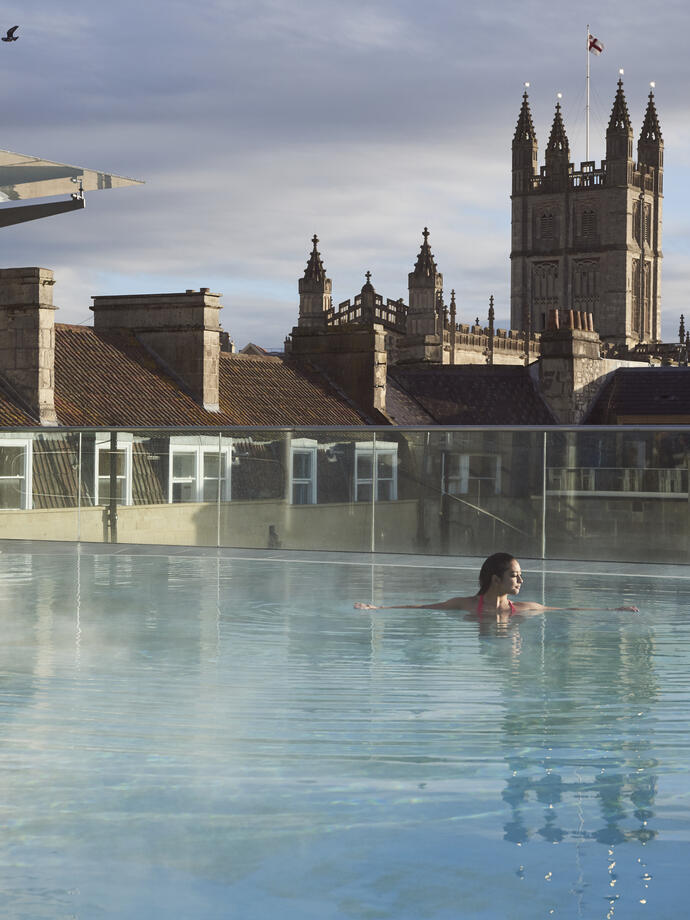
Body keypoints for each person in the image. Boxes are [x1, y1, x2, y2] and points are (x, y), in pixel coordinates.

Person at [354, 552, 638, 618]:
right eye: (515, 575)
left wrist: (613, 609)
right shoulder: (465, 604)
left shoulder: (524, 608)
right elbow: (425, 606)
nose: (521, 580)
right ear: (495, 579)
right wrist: (378, 607)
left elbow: (565, 609)